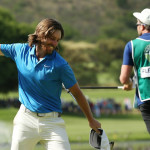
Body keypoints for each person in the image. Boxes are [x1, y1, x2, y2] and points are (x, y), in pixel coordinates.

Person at [0, 18, 101, 150]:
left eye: (57, 40)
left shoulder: (61, 65)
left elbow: (77, 93)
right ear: (40, 34)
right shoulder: (20, 51)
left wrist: (91, 120)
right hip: (25, 120)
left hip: (52, 123)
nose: (54, 43)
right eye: (52, 38)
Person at [119, 8, 150, 134]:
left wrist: (129, 83)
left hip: (146, 98)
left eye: (137, 24)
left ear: (142, 27)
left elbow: (123, 78)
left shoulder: (132, 45)